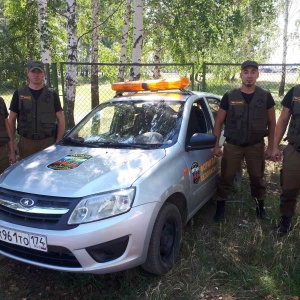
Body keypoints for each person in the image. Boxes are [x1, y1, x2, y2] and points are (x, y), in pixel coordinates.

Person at [212, 60, 276, 222]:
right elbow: (219, 122)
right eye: (246, 72)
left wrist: (272, 147)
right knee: (226, 177)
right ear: (241, 74)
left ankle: (260, 209)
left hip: (255, 145)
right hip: (233, 145)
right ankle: (220, 209)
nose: (249, 75)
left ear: (257, 75)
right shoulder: (230, 96)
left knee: (257, 177)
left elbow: (272, 123)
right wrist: (216, 145)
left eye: (253, 72)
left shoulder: (265, 96)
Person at [8, 60, 65, 159]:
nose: (36, 75)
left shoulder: (52, 94)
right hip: (26, 143)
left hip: (48, 143)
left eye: (39, 72)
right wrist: (12, 145)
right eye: (33, 72)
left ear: (44, 74)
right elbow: (11, 120)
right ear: (27, 73)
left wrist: (58, 142)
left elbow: (61, 119)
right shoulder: (19, 93)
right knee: (25, 173)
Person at [271, 85, 300, 234]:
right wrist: (275, 146)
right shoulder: (295, 92)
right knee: (288, 189)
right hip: (295, 149)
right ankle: (285, 224)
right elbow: (283, 120)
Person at [0, 96, 16, 172]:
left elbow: (7, 127)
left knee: (4, 180)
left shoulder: (0, 101)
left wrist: (12, 151)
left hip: (2, 151)